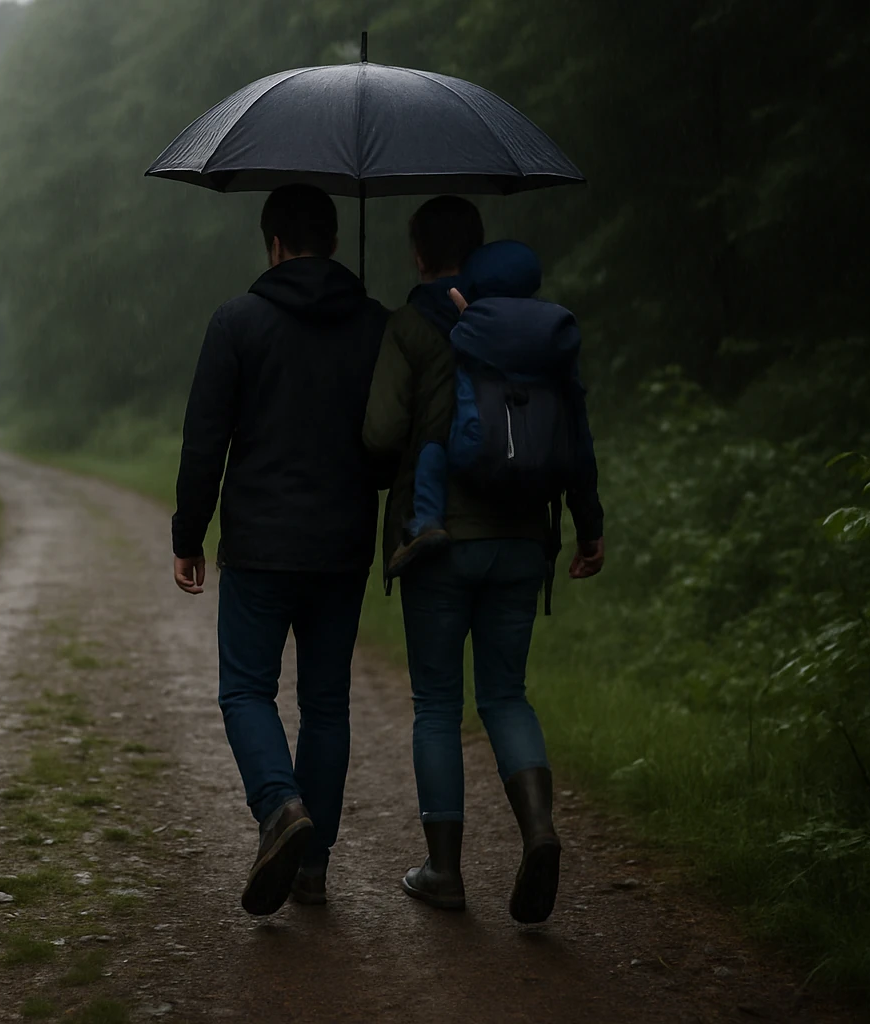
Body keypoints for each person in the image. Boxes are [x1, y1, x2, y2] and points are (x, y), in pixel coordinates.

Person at [363, 196, 605, 923]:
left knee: (437, 704)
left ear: (418, 254)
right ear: (474, 252)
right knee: (505, 694)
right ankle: (538, 831)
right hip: (524, 537)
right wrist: (589, 524)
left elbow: (379, 434)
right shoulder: (535, 330)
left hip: (439, 545)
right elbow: (578, 431)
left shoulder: (413, 324)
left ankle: (444, 871)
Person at [172, 183, 387, 915]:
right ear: (331, 242)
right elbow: (392, 441)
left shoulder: (237, 321)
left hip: (261, 545)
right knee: (326, 704)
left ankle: (279, 806)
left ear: (273, 244)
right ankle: (312, 867)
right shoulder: (375, 325)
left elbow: (206, 439)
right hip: (343, 544)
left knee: (245, 690)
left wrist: (187, 533)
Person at [386, 238, 589, 578]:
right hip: (526, 527)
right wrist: (589, 524)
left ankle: (426, 519)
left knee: (434, 436)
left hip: (468, 471)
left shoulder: (470, 322)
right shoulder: (552, 334)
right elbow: (579, 437)